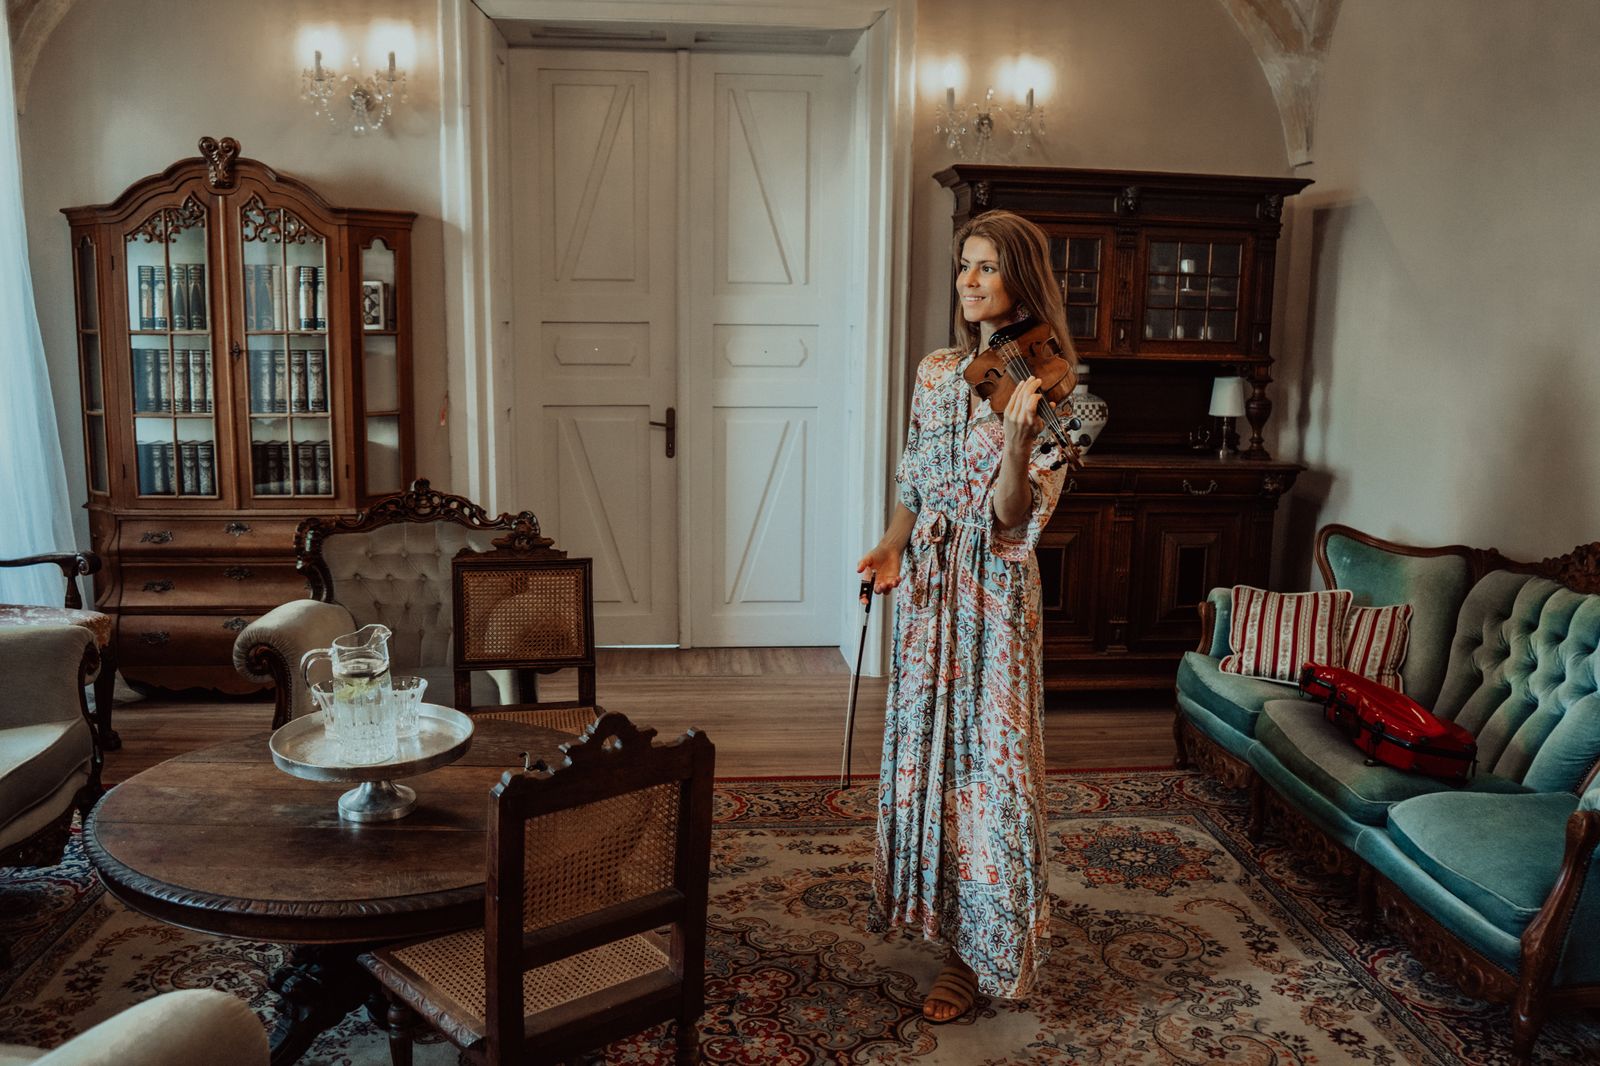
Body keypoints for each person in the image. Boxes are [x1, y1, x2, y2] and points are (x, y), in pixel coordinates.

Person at [857, 209, 1078, 1023]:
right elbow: (915, 478)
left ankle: (976, 951)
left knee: (989, 768)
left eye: (988, 266)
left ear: (1023, 278)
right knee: (927, 752)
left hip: (994, 594)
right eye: (965, 265)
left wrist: (1017, 445)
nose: (970, 281)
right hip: (928, 586)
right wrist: (891, 545)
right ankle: (935, 919)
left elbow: (1016, 519)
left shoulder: (1058, 397)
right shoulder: (937, 370)